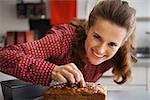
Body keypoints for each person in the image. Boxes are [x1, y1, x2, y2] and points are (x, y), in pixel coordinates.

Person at [0, 0, 137, 87]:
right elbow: (3, 56)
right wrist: (51, 70)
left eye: (112, 44)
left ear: (122, 43)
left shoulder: (119, 53)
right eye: (96, 37)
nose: (101, 50)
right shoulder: (62, 39)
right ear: (87, 27)